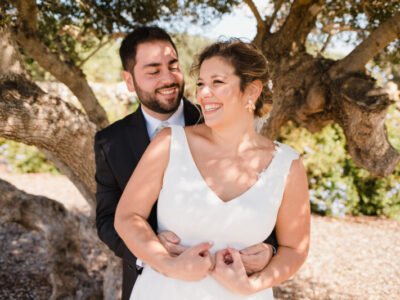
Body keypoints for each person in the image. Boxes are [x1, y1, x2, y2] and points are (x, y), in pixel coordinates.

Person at [114, 39, 310, 299]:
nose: (204, 94)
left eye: (217, 82)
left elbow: (295, 248)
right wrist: (169, 265)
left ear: (251, 91)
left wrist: (252, 285)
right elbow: (127, 217)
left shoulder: (288, 165)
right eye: (201, 84)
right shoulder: (170, 143)